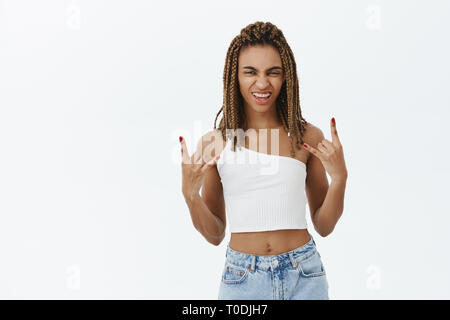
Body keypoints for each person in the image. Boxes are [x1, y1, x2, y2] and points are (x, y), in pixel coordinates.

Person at [180, 21, 348, 300]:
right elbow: (215, 234)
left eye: (273, 72)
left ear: (286, 78)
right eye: (250, 72)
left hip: (304, 275)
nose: (262, 83)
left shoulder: (306, 135)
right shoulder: (215, 143)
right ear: (235, 76)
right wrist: (190, 195)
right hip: (243, 278)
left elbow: (324, 225)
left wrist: (340, 178)